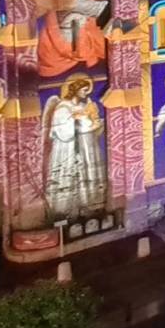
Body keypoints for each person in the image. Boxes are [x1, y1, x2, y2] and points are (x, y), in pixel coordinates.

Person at [44, 76, 106, 221]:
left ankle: (88, 207)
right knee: (68, 177)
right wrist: (80, 121)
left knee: (87, 176)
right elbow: (63, 132)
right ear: (76, 90)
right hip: (68, 149)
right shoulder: (62, 108)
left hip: (86, 148)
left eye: (87, 90)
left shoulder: (84, 106)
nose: (86, 93)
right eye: (84, 90)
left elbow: (92, 127)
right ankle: (65, 212)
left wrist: (95, 120)